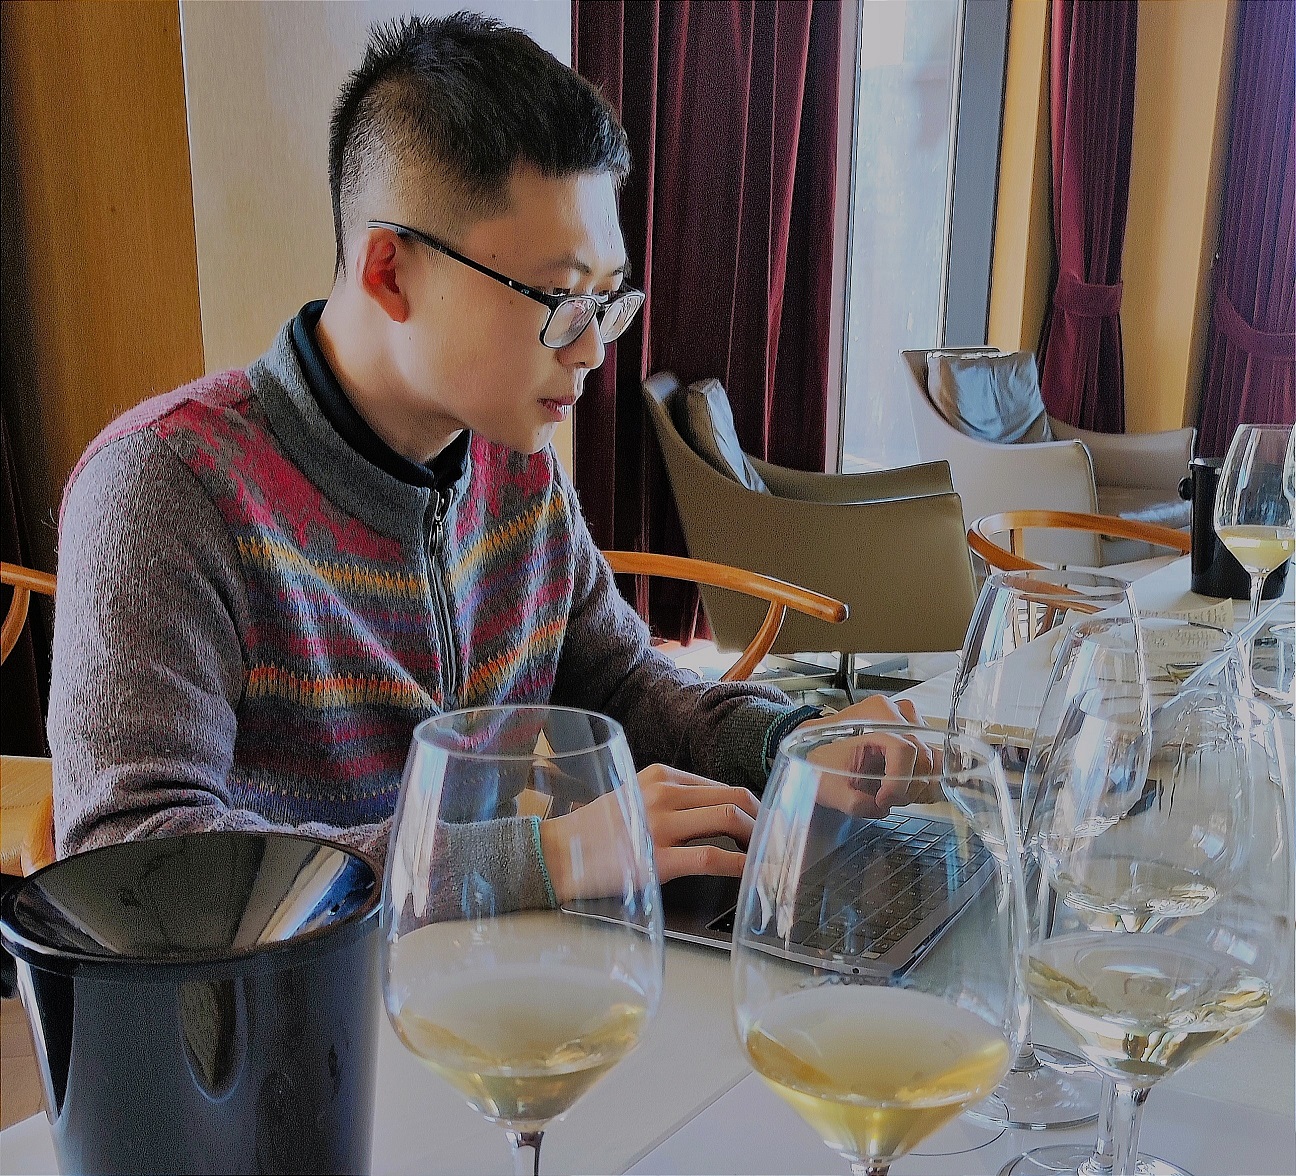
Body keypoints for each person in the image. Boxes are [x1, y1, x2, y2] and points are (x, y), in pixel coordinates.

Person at [48, 12, 927, 906]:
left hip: (516, 973)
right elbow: (126, 864)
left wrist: (794, 745)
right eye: (559, 298)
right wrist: (541, 856)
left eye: (607, 300)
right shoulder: (166, 490)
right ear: (390, 271)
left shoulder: (514, 465)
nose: (591, 350)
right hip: (303, 995)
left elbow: (624, 685)